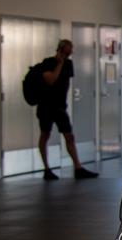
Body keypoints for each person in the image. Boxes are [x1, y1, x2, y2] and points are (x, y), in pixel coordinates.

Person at [36, 39, 96, 180]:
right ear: (60, 50)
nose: (69, 54)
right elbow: (51, 80)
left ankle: (78, 167)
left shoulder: (69, 64)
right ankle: (46, 168)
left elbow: (66, 84)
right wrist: (59, 63)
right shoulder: (48, 63)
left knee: (69, 136)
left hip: (59, 107)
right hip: (45, 106)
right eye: (67, 51)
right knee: (45, 135)